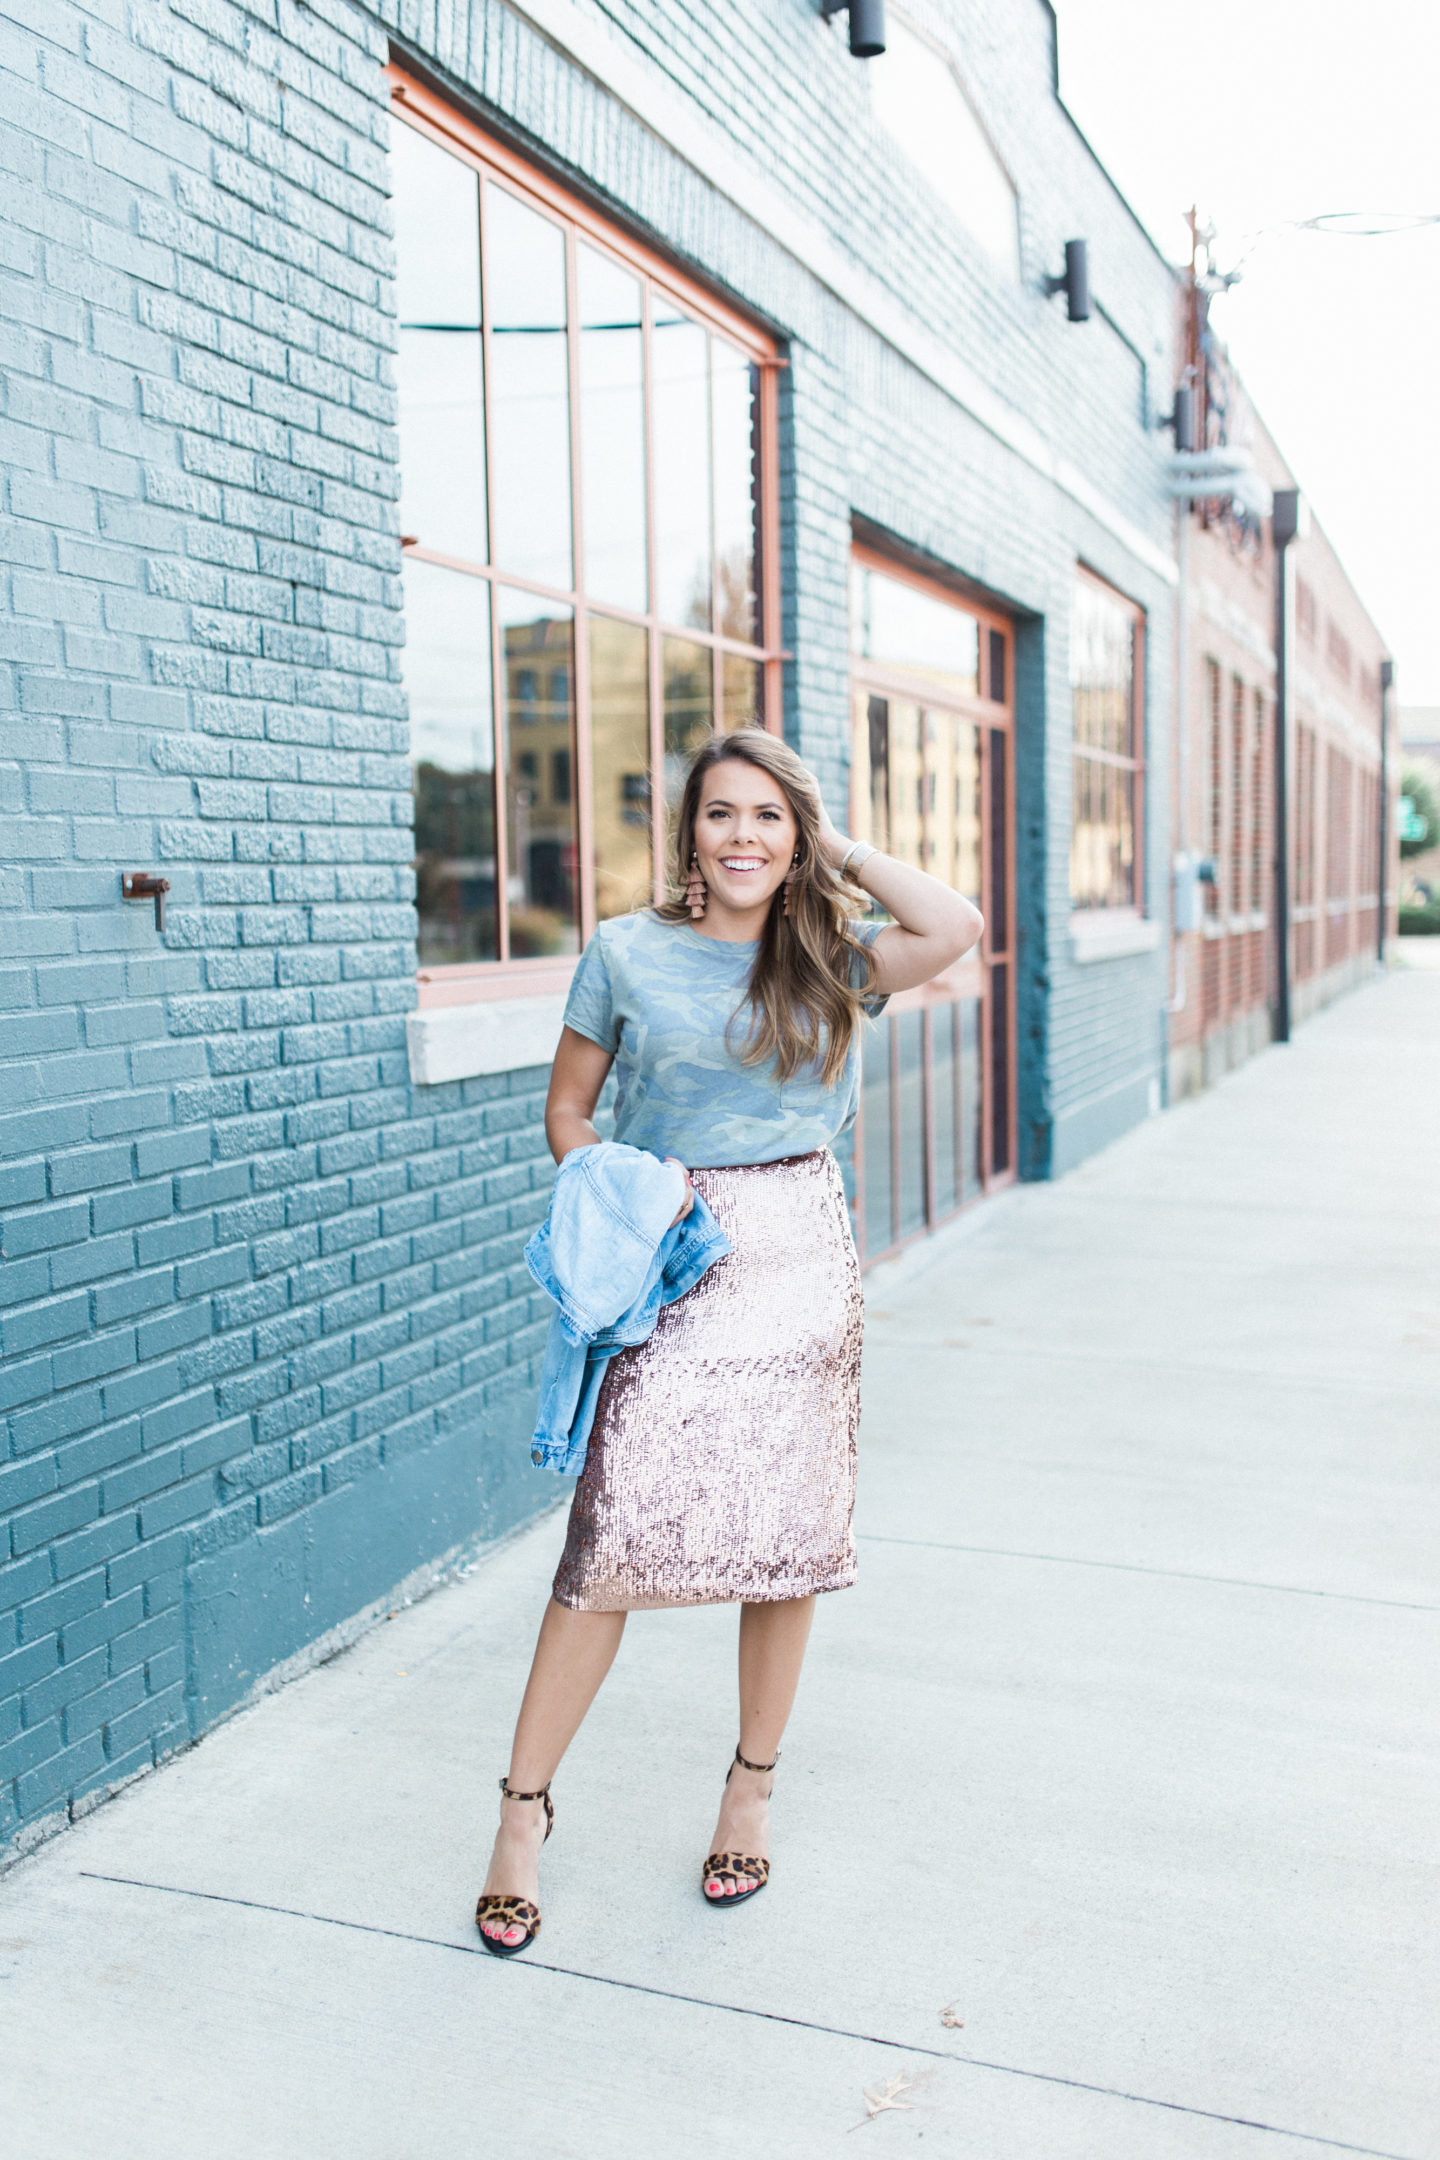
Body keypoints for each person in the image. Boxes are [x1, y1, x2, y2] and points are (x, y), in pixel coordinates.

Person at [475, 728, 983, 1954]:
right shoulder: (624, 953)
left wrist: (837, 850)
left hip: (801, 1257)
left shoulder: (836, 957)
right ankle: (520, 1814)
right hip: (672, 1252)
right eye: (720, 815)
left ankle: (750, 1789)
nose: (742, 836)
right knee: (608, 1538)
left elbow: (955, 921)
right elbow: (566, 1108)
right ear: (687, 833)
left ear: (795, 834)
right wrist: (617, 1197)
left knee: (785, 1539)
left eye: (767, 816)